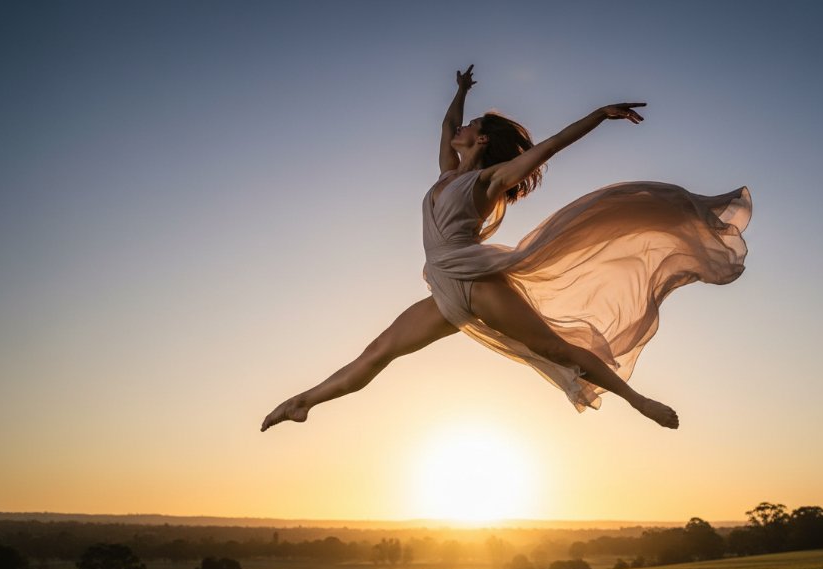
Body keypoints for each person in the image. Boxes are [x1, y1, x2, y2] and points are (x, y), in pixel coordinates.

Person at [261, 64, 751, 432]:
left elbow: (552, 146)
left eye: (469, 124)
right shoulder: (448, 173)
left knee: (554, 347)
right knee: (379, 351)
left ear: (481, 139)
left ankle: (637, 400)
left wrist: (599, 115)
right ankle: (304, 401)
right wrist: (460, 91)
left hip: (474, 283)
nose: (459, 127)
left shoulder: (488, 180)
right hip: (445, 288)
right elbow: (444, 125)